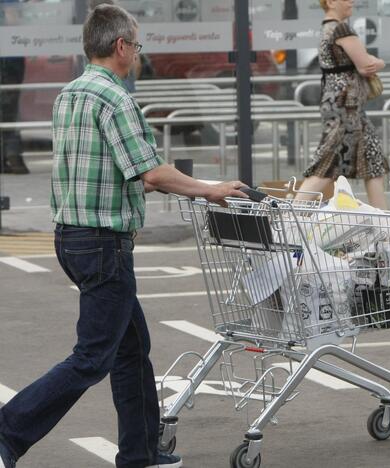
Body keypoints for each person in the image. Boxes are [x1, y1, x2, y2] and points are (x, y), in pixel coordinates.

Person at [0, 5, 248, 468]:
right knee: (93, 356)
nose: (136, 53)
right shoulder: (115, 99)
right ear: (120, 47)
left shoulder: (69, 94)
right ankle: (8, 432)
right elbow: (150, 173)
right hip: (102, 242)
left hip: (72, 236)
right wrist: (211, 189)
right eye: (136, 45)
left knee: (131, 349)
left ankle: (139, 452)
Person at [298, 0, 389, 209]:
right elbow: (366, 65)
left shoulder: (328, 27)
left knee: (372, 159)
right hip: (345, 107)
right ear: (330, 2)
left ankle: (384, 222)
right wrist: (381, 62)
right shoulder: (340, 28)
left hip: (345, 106)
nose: (352, 2)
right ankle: (287, 215)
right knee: (327, 164)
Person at [0, 0, 29, 174]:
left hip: (8, 58)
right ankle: (13, 155)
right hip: (10, 59)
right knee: (9, 107)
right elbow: (13, 21)